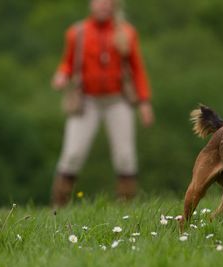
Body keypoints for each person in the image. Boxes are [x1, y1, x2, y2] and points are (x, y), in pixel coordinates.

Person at [51, 0, 154, 207]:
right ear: (91, 4)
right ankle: (57, 209)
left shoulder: (126, 33)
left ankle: (126, 210)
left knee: (125, 156)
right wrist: (62, 74)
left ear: (114, 6)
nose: (103, 5)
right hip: (86, 102)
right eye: (99, 1)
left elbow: (137, 69)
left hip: (118, 102)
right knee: (72, 155)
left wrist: (144, 102)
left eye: (108, 2)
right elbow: (68, 62)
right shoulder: (77, 32)